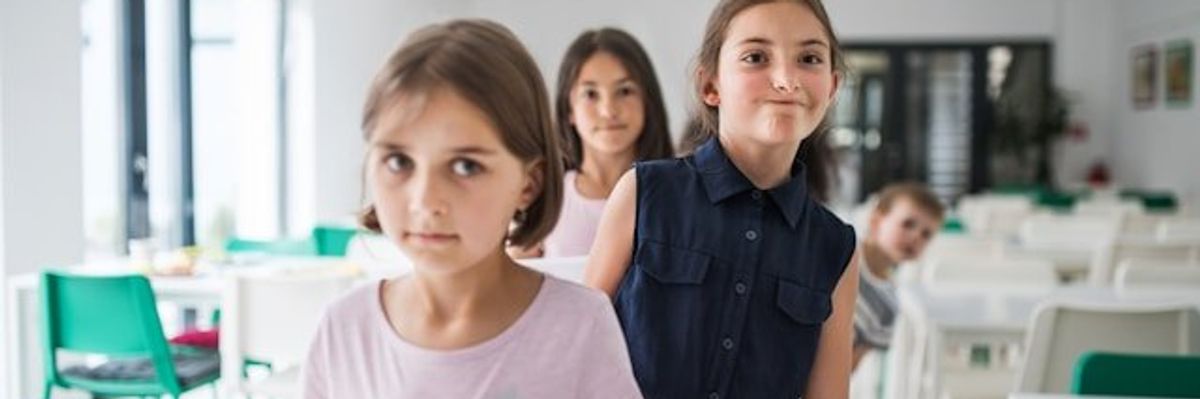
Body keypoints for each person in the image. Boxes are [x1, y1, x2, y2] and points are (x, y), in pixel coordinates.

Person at [301, 19, 641, 399]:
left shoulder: (582, 324)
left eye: (466, 166)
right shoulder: (343, 330)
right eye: (399, 161)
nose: (425, 200)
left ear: (529, 183)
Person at [585, 0, 859, 397]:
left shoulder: (836, 248)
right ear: (710, 86)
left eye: (809, 58)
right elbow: (579, 348)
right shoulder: (646, 193)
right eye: (756, 57)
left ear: (832, 87)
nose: (786, 79)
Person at [512, 27, 673, 258]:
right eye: (590, 94)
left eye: (625, 91)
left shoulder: (680, 195)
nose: (608, 111)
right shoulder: (544, 200)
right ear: (569, 110)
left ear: (647, 101)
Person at [853, 183, 945, 369]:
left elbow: (850, 367)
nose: (915, 237)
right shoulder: (841, 255)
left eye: (926, 235)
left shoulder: (889, 305)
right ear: (876, 222)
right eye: (908, 224)